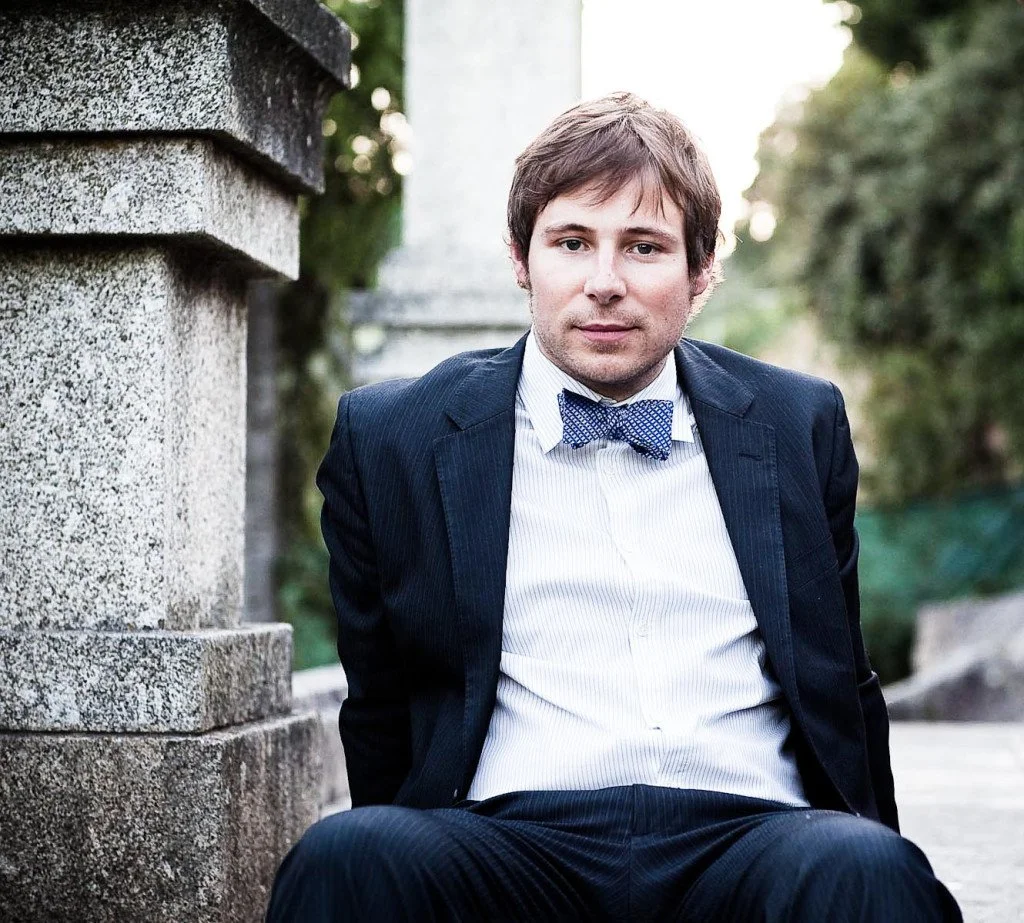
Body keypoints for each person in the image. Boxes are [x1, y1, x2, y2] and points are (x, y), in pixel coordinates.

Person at [267, 92, 961, 922]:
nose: (604, 283)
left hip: (751, 839)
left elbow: (843, 682)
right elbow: (379, 705)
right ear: (522, 259)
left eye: (644, 246)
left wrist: (877, 845)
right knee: (348, 858)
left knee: (870, 871)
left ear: (700, 273)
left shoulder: (796, 425)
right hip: (506, 843)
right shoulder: (393, 438)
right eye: (571, 242)